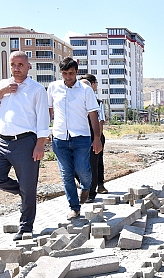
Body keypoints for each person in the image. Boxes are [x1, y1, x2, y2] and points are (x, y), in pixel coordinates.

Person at [0, 51, 50, 240]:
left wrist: (40, 144)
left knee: (29, 186)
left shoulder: (36, 89)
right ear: (9, 66)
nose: (16, 68)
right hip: (1, 142)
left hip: (26, 143)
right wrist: (2, 92)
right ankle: (26, 193)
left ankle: (26, 227)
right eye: (13, 65)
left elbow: (43, 119)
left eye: (21, 65)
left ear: (28, 67)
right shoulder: (3, 85)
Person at [47, 57, 102, 220]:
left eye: (71, 73)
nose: (68, 77)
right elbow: (48, 111)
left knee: (83, 170)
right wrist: (45, 131)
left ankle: (86, 187)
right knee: (66, 174)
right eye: (64, 73)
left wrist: (97, 138)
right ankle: (74, 207)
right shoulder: (53, 87)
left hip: (81, 138)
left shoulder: (85, 90)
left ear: (77, 72)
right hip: (59, 138)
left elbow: (93, 114)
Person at [78, 74, 108, 202]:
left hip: (93, 137)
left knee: (94, 164)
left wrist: (98, 139)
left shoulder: (97, 103)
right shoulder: (75, 101)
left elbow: (100, 121)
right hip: (78, 138)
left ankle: (92, 192)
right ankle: (86, 185)